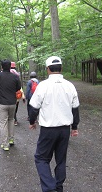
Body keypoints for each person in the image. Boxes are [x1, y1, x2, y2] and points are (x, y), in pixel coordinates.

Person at [29, 56, 80, 192]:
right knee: (61, 159)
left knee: (41, 158)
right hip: (64, 130)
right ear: (61, 68)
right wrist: (74, 127)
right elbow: (75, 108)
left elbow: (34, 107)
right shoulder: (70, 85)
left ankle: (50, 188)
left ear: (48, 69)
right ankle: (58, 187)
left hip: (48, 129)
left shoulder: (43, 86)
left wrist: (32, 121)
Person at [0, 59, 21, 151]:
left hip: (2, 102)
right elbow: (19, 87)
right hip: (13, 102)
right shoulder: (15, 77)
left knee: (3, 123)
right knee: (11, 120)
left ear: (1, 67)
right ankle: (11, 139)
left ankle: (5, 144)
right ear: (10, 66)